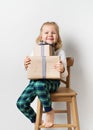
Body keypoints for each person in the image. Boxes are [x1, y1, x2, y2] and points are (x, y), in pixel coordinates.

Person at [16, 21, 68, 128]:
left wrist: (62, 69)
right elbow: (30, 70)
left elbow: (65, 74)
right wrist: (26, 65)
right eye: (46, 32)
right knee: (21, 103)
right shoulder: (36, 50)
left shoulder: (60, 52)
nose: (50, 35)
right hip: (35, 81)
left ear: (57, 37)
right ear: (41, 36)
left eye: (53, 33)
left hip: (52, 83)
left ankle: (49, 111)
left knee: (39, 84)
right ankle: (36, 120)